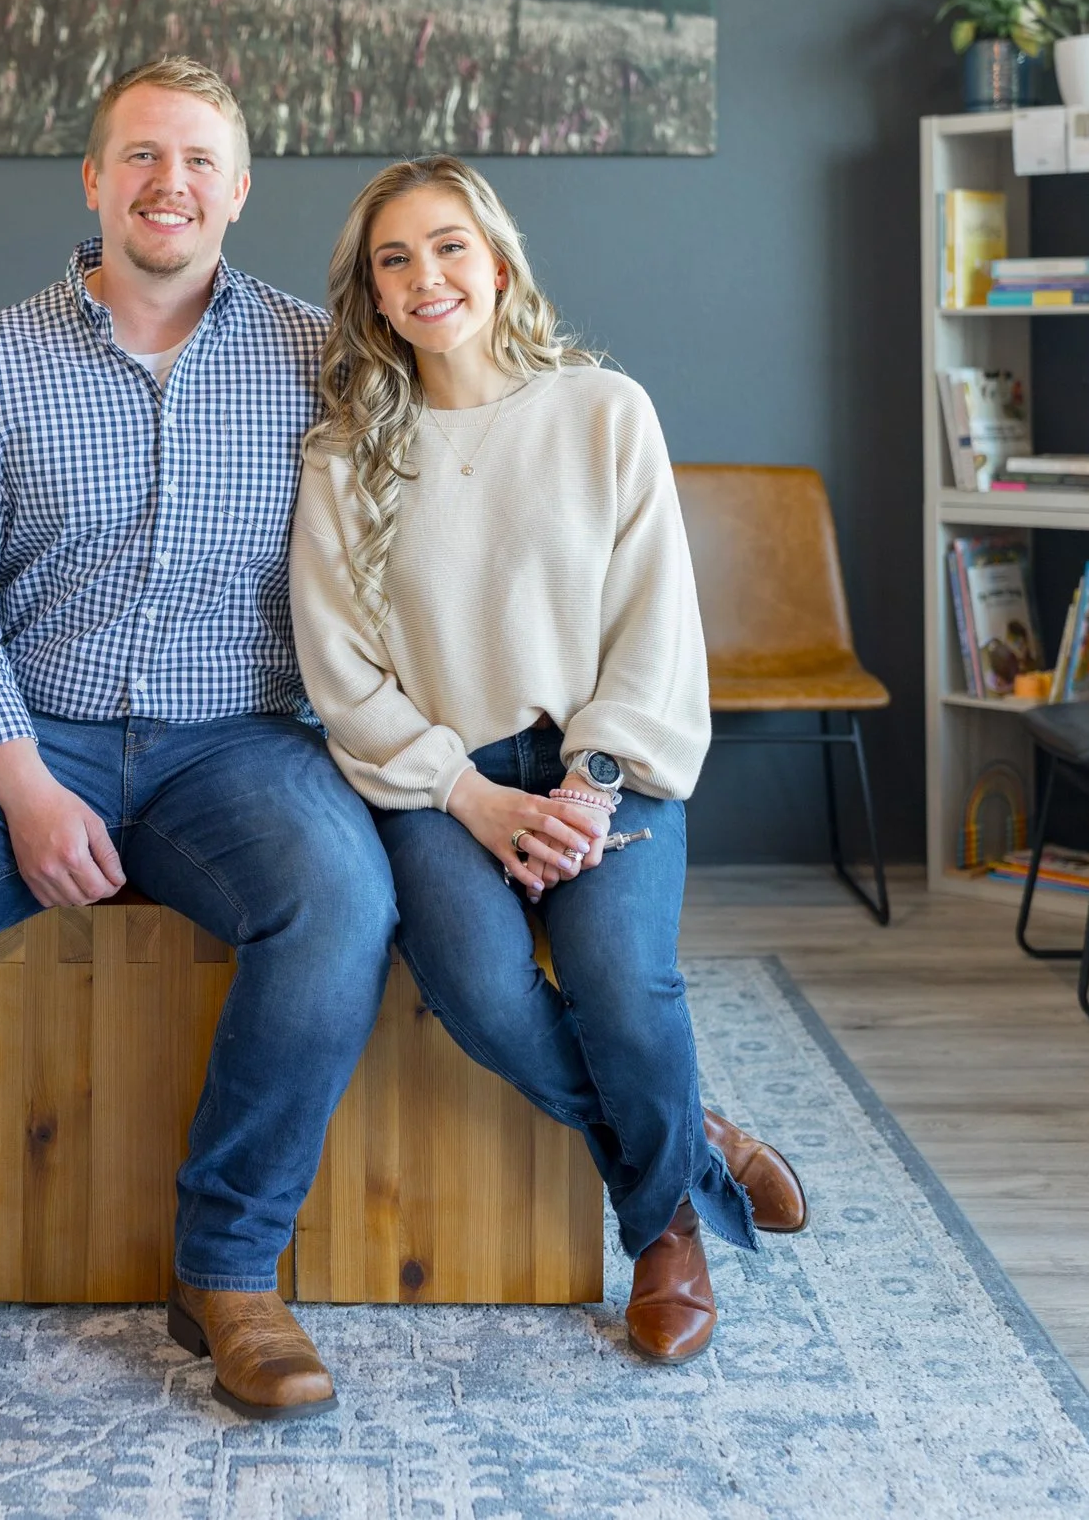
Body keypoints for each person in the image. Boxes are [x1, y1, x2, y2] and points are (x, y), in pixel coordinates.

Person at [0, 57, 395, 1431]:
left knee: (342, 893)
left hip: (236, 745)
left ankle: (229, 1269)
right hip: (27, 727)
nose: (167, 182)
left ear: (239, 190)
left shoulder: (319, 358)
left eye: (196, 160)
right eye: (139, 156)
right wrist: (20, 782)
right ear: (93, 181)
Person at [289, 155, 809, 1365]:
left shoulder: (601, 411)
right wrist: (470, 796)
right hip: (436, 778)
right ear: (370, 296)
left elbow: (653, 626)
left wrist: (589, 785)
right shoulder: (342, 455)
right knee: (476, 991)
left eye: (450, 244)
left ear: (501, 258)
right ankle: (688, 1144)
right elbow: (341, 673)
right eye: (395, 258)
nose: (428, 276)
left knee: (627, 991)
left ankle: (661, 1229)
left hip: (600, 761)